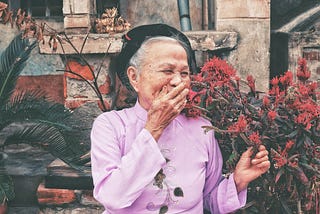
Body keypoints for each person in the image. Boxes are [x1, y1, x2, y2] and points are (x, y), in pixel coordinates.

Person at [90, 23, 270, 214]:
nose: (178, 81)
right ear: (135, 77)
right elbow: (113, 198)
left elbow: (208, 202)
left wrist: (238, 181)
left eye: (184, 73)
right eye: (167, 71)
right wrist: (154, 129)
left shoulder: (202, 129)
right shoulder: (111, 126)